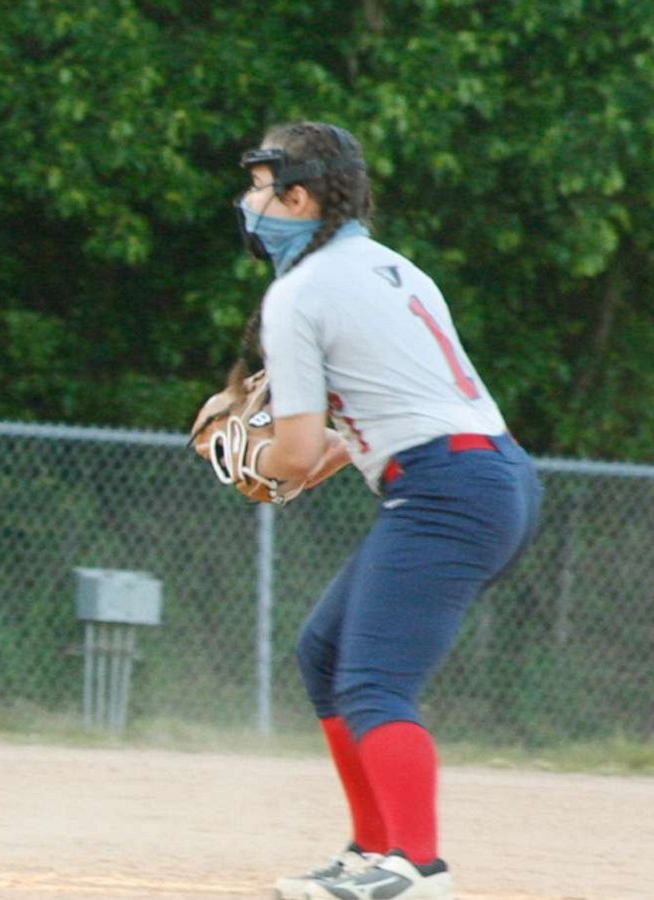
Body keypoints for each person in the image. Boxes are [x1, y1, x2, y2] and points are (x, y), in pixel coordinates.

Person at [230, 121, 542, 900]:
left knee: (373, 681)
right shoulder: (391, 267)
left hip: (447, 488)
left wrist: (241, 457)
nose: (249, 199)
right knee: (325, 654)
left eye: (263, 184)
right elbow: (374, 424)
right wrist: (304, 458)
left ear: (298, 197)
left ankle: (420, 868)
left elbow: (295, 455)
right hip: (484, 473)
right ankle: (376, 847)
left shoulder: (298, 292)